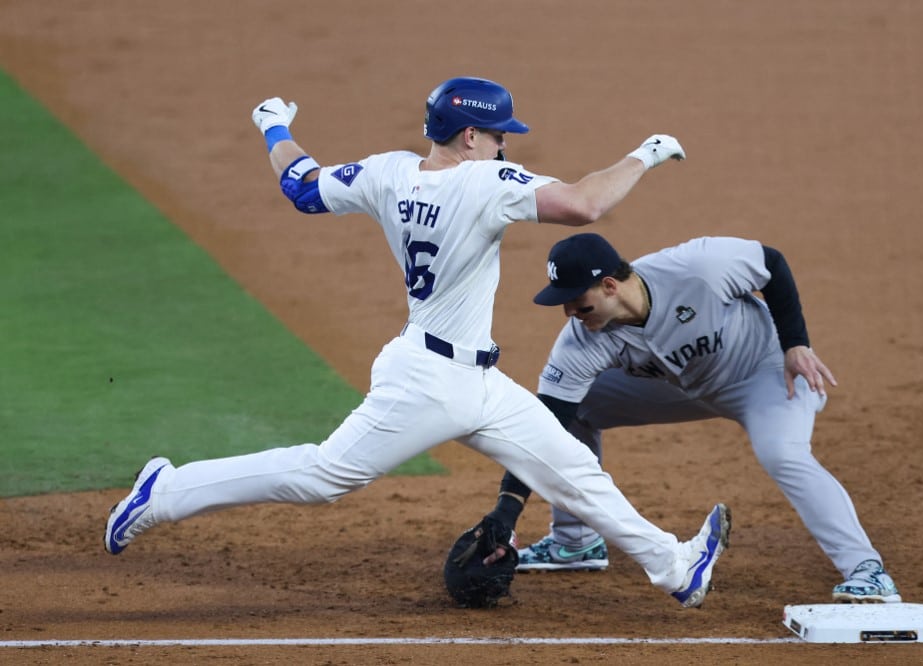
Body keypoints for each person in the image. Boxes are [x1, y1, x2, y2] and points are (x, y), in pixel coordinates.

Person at [103, 76, 732, 608]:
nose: (505, 143)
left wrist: (272, 125)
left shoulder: (388, 173)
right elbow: (585, 205)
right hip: (429, 382)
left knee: (570, 468)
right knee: (324, 475)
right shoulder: (486, 182)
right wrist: (645, 154)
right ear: (469, 137)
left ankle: (675, 567)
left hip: (474, 380)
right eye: (498, 134)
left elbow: (300, 185)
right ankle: (166, 493)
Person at [479, 232, 901, 604]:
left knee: (782, 453)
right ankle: (575, 543)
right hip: (680, 388)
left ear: (609, 286)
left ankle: (868, 570)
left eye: (577, 301)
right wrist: (507, 510)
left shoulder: (697, 267)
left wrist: (795, 344)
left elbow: (770, 262)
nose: (570, 313)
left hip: (765, 374)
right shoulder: (583, 339)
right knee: (576, 410)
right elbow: (547, 425)